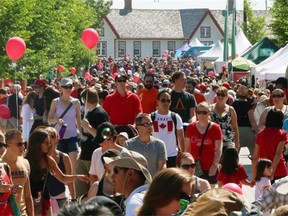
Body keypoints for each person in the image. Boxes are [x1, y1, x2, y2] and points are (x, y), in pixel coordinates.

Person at [25, 128, 89, 216]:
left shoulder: (48, 160)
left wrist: (77, 177)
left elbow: (62, 178)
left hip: (44, 200)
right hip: (29, 199)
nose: (49, 145)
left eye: (49, 142)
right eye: (46, 143)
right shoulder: (25, 161)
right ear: (37, 144)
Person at [76, 88, 109, 197]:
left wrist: (89, 127)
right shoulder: (90, 112)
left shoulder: (100, 113)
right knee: (80, 189)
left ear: (84, 100)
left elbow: (105, 137)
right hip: (85, 155)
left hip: (94, 157)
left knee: (92, 191)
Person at [48, 77, 82, 174]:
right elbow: (49, 120)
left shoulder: (76, 102)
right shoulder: (55, 102)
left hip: (72, 136)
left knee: (74, 165)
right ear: (61, 88)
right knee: (58, 166)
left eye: (70, 86)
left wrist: (81, 134)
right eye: (65, 87)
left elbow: (78, 120)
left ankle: (73, 186)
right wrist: (56, 120)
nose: (67, 89)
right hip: (58, 137)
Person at [103, 150, 152, 216]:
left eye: (116, 170)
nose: (112, 176)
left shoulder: (135, 202)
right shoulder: (146, 196)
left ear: (130, 174)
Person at [185, 101, 223, 187]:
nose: (201, 115)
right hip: (194, 166)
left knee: (210, 191)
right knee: (194, 191)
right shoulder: (191, 127)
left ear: (209, 113)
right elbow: (187, 147)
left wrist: (214, 165)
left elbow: (219, 149)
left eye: (204, 112)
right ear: (196, 112)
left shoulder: (215, 128)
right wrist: (186, 165)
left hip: (210, 166)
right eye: (199, 112)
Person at [2, 129, 34, 216]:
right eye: (19, 144)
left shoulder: (25, 163)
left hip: (22, 212)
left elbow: (28, 195)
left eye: (24, 144)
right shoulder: (1, 164)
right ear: (7, 145)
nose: (23, 147)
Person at [45, 126, 75, 215]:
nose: (50, 139)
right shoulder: (40, 157)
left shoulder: (64, 157)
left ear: (58, 138)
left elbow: (70, 180)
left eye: (53, 136)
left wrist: (73, 199)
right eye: (47, 136)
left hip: (61, 196)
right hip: (45, 198)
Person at [252, 109, 288, 184]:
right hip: (279, 170)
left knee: (264, 195)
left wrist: (254, 175)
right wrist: (272, 172)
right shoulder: (282, 134)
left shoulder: (260, 134)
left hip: (263, 171)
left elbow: (255, 157)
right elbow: (278, 154)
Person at [151, 90, 185, 167]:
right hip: (155, 155)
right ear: (157, 102)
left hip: (172, 155)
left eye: (168, 100)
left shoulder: (176, 117)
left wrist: (182, 155)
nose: (166, 103)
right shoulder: (151, 117)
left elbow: (181, 137)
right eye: (163, 100)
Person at [210, 86, 240, 152]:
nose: (220, 97)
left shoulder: (231, 109)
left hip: (228, 141)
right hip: (213, 140)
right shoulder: (210, 108)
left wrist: (237, 142)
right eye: (218, 94)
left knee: (228, 161)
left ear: (227, 97)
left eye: (223, 95)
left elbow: (235, 127)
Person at [232, 85, 256, 157]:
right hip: (247, 130)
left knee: (235, 154)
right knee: (254, 155)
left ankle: (235, 167)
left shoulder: (233, 105)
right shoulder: (248, 105)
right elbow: (252, 121)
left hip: (236, 130)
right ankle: (255, 168)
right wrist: (258, 131)